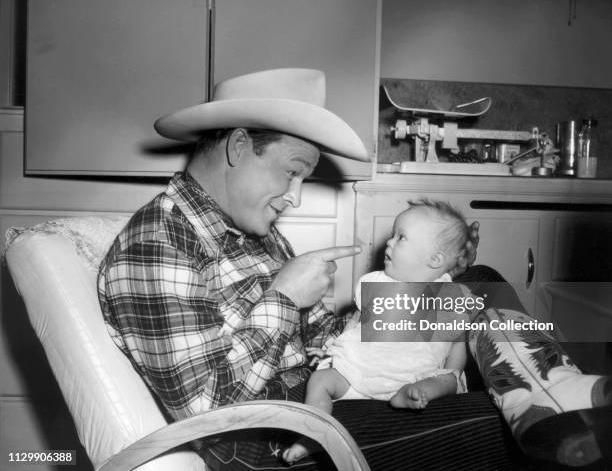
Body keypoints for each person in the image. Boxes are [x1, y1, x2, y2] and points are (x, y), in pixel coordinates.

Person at [98, 68, 610, 470]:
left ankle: (551, 384)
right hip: (291, 439)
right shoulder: (157, 244)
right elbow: (207, 411)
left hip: (341, 381)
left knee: (475, 283)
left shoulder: (247, 230)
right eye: (292, 173)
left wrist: (384, 320)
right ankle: (548, 400)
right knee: (509, 423)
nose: (295, 198)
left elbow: (314, 335)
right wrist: (282, 299)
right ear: (237, 147)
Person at [283, 200, 473, 463]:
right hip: (362, 371)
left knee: (448, 381)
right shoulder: (374, 283)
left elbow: (457, 343)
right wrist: (337, 347)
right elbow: (356, 323)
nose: (389, 242)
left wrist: (452, 375)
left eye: (401, 237)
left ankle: (413, 395)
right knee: (320, 381)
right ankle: (315, 435)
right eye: (393, 235)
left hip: (416, 374)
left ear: (435, 259)